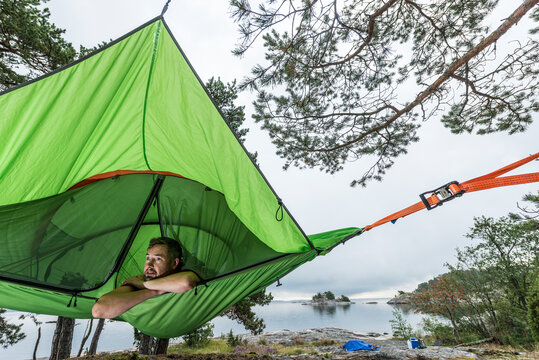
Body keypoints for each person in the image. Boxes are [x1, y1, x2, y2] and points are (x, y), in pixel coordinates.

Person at [92, 237, 199, 319]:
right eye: (148, 258)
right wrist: (154, 291)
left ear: (175, 263)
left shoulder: (182, 274)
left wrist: (145, 285)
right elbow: (98, 310)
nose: (149, 265)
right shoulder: (138, 280)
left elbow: (187, 282)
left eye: (158, 259)